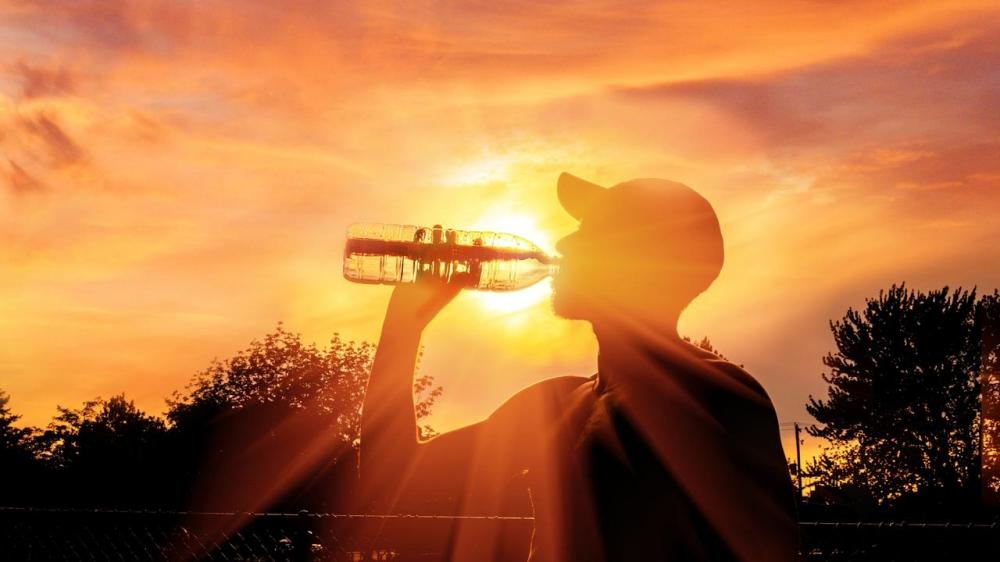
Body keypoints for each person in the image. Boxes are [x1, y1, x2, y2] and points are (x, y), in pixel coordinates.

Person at [357, 173, 800, 562]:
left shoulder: (716, 398)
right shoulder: (557, 404)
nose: (565, 243)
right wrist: (404, 325)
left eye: (592, 232)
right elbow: (392, 479)